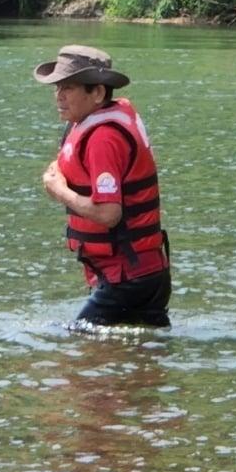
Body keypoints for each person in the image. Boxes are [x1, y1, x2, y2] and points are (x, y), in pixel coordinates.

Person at [35, 45, 170, 327]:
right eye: (57, 87)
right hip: (139, 272)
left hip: (128, 277)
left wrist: (58, 189)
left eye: (68, 88)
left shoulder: (103, 138)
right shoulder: (85, 124)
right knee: (139, 356)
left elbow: (109, 214)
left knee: (80, 350)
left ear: (97, 93)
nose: (58, 96)